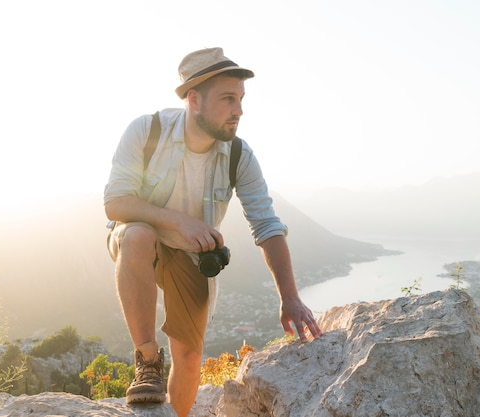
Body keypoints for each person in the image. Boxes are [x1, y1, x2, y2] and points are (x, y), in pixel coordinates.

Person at [103, 47, 322, 417]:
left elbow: (267, 224)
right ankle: (147, 360)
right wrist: (178, 221)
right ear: (194, 99)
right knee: (137, 234)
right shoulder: (147, 131)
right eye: (227, 99)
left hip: (191, 255)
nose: (239, 110)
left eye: (240, 99)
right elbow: (115, 203)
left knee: (189, 358)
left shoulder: (239, 155)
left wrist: (290, 297)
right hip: (141, 242)